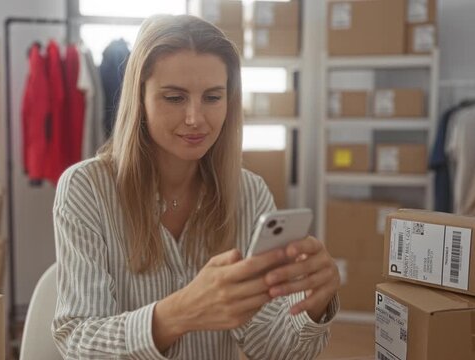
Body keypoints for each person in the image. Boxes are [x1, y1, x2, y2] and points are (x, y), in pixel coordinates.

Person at [52, 14, 340, 360]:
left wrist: (312, 306)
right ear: (139, 99)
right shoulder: (87, 190)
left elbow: (269, 347)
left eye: (213, 98)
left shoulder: (249, 194)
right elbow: (77, 342)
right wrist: (177, 314)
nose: (195, 118)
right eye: (174, 98)